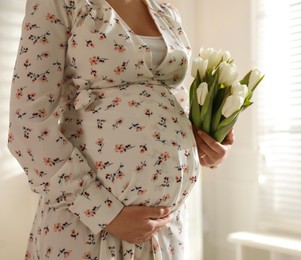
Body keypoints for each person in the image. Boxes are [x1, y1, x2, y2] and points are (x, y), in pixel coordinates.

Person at [7, 0, 234, 259]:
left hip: (165, 230)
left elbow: (172, 103)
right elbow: (28, 126)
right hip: (88, 224)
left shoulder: (165, 10)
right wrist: (103, 212)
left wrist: (208, 142)